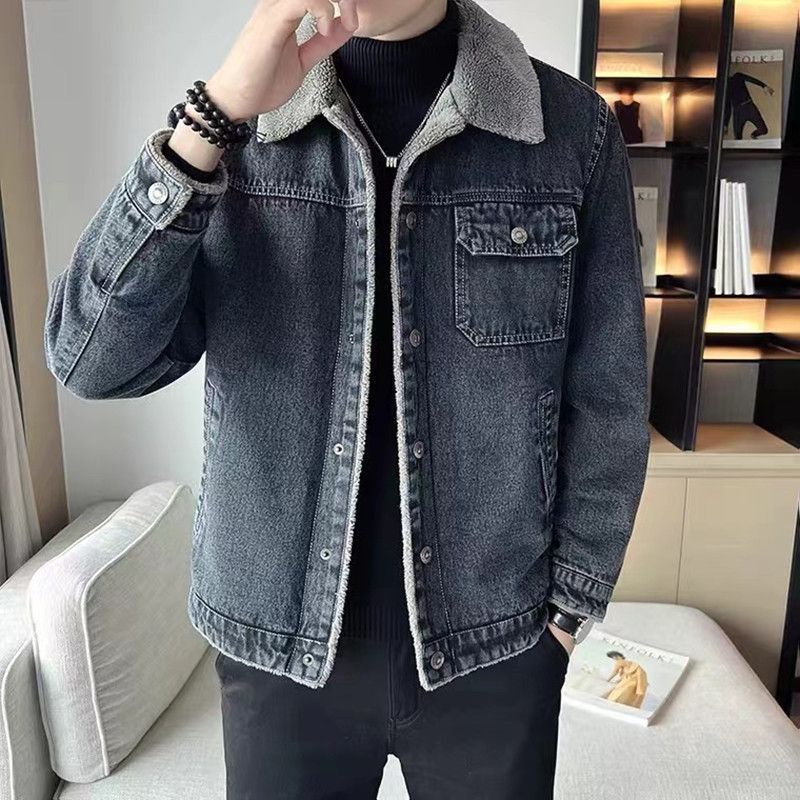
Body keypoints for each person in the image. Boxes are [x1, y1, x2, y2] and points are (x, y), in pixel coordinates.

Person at [43, 0, 651, 797]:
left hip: (497, 654)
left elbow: (609, 396)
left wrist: (565, 617)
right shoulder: (237, 131)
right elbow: (90, 361)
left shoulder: (570, 131)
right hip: (279, 657)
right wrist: (211, 119)